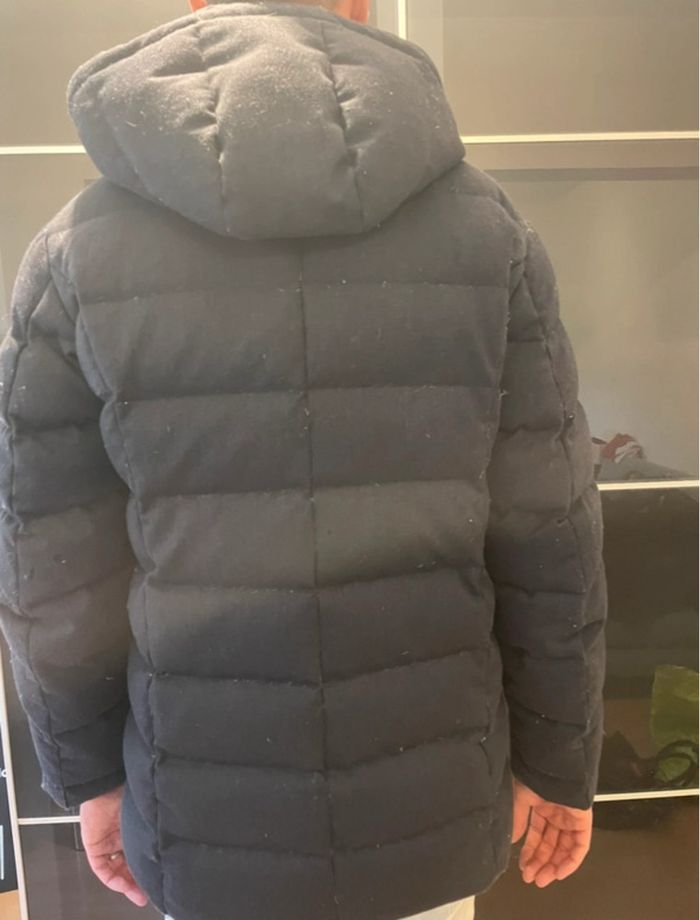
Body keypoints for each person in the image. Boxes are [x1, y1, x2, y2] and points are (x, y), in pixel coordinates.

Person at [0, 1, 608, 919]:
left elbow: (47, 562)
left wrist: (88, 773)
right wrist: (560, 756)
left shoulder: (76, 250)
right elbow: (552, 532)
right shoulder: (487, 228)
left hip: (201, 808)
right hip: (433, 797)